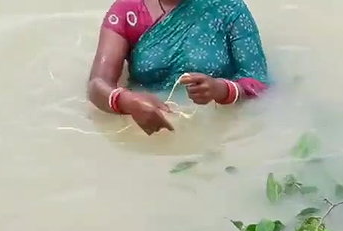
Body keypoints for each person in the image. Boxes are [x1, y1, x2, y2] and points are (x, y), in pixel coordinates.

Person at [86, 0, 271, 135]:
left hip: (219, 134)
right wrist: (128, 101)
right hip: (147, 135)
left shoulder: (229, 8)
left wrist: (221, 90)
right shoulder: (128, 12)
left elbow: (258, 81)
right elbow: (97, 84)